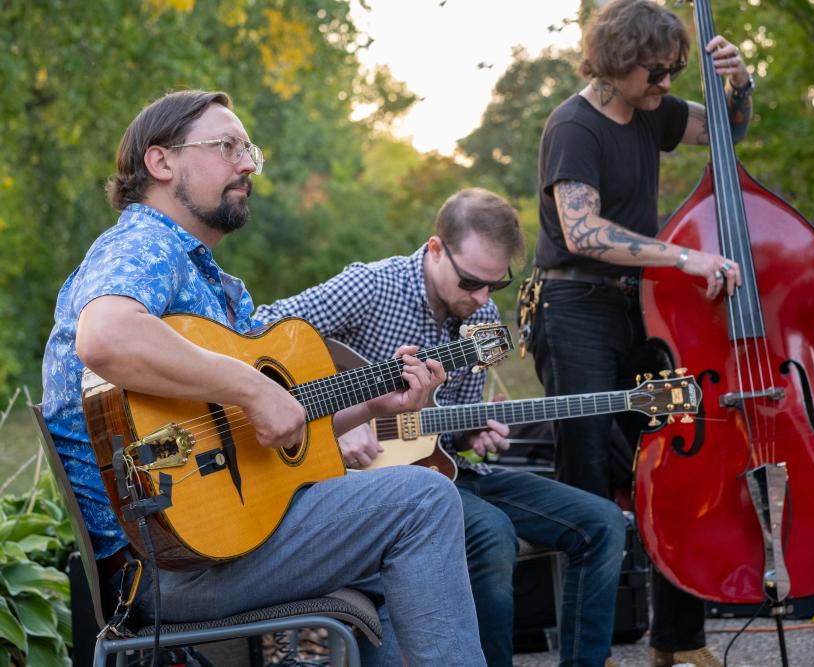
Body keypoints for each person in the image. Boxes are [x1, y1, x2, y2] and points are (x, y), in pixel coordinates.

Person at [41, 90, 487, 665]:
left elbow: (277, 422)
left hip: (216, 544)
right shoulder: (143, 245)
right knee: (423, 499)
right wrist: (251, 387)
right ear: (161, 162)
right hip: (168, 565)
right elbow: (105, 337)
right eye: (227, 146)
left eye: (248, 149)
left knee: (396, 533)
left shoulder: (215, 286)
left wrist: (374, 407)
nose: (248, 164)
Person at [255, 187, 628, 667]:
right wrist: (330, 420)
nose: (482, 298)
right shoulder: (370, 287)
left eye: (496, 285)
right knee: (493, 535)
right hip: (367, 484)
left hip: (445, 472)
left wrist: (475, 437)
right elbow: (258, 334)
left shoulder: (483, 318)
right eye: (471, 282)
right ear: (435, 249)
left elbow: (448, 438)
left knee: (602, 522)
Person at [527, 1, 754, 666]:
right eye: (656, 73)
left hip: (636, 306)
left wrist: (741, 85)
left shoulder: (650, 110)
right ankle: (583, 656)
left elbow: (725, 133)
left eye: (673, 73)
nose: (665, 86)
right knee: (589, 479)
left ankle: (677, 640)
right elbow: (583, 232)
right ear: (619, 60)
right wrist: (686, 256)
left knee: (675, 453)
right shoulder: (573, 126)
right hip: (573, 307)